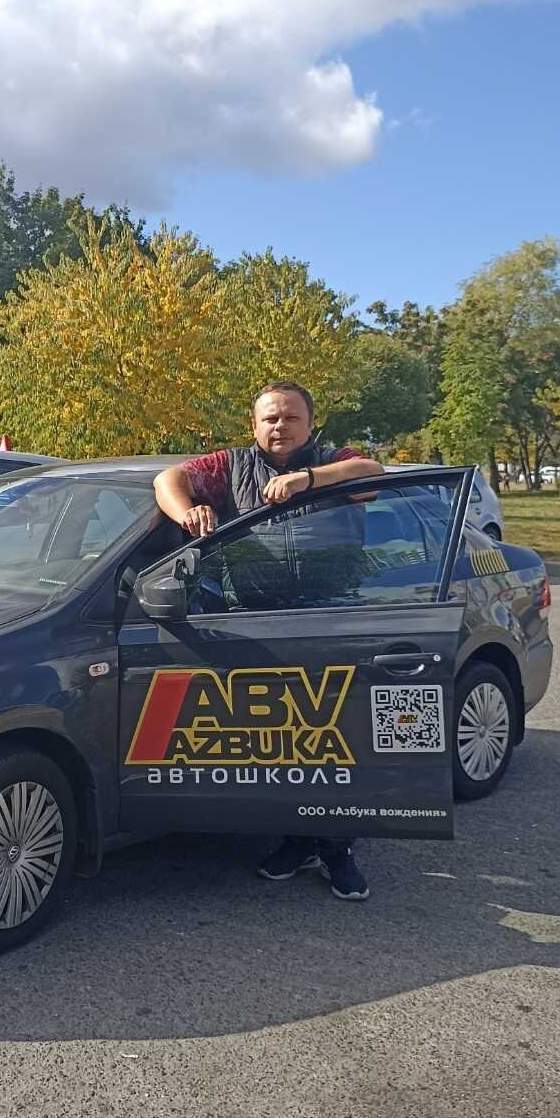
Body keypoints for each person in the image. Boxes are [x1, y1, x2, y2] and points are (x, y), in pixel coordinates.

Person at [153, 380, 384, 902]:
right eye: (269, 419)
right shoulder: (231, 466)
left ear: (309, 422)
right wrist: (186, 511)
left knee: (334, 742)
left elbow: (372, 475)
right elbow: (169, 478)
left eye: (289, 418)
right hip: (259, 619)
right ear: (254, 425)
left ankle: (338, 849)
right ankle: (296, 839)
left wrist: (308, 480)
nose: (279, 427)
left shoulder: (333, 460)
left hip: (329, 619)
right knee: (281, 739)